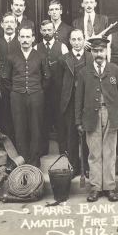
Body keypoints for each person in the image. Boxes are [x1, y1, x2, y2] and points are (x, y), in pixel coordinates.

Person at [75, 38, 118, 202]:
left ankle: (110, 188)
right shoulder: (84, 72)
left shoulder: (115, 70)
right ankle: (95, 188)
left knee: (110, 152)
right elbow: (78, 99)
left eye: (101, 51)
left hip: (111, 115)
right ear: (91, 52)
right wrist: (78, 121)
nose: (98, 54)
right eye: (95, 51)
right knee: (94, 153)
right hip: (91, 116)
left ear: (106, 51)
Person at [2, 26, 52, 167]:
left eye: (27, 37)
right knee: (19, 129)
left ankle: (35, 162)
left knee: (36, 129)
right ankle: (22, 161)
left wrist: (38, 90)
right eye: (22, 37)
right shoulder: (11, 57)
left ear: (33, 38)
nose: (25, 40)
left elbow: (47, 78)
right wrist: (15, 91)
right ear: (18, 38)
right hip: (17, 97)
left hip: (36, 96)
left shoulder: (41, 56)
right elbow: (4, 78)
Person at [55, 29, 91, 177]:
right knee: (71, 135)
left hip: (87, 101)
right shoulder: (63, 60)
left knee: (87, 134)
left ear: (84, 40)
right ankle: (74, 167)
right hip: (70, 101)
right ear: (69, 41)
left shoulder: (91, 57)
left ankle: (87, 167)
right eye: (74, 40)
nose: (77, 43)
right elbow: (58, 84)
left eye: (79, 39)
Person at [34, 20, 69, 156]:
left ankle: (63, 151)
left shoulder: (62, 47)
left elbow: (66, 69)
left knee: (60, 120)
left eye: (49, 30)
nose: (47, 33)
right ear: (41, 31)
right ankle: (43, 150)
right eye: (44, 30)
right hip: (43, 90)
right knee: (43, 120)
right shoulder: (36, 48)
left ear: (54, 30)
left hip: (58, 90)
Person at [0, 12, 20, 146]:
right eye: (6, 22)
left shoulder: (22, 41)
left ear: (16, 24)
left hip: (19, 85)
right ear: (2, 25)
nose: (9, 25)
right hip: (3, 87)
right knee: (6, 118)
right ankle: (7, 149)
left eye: (11, 22)